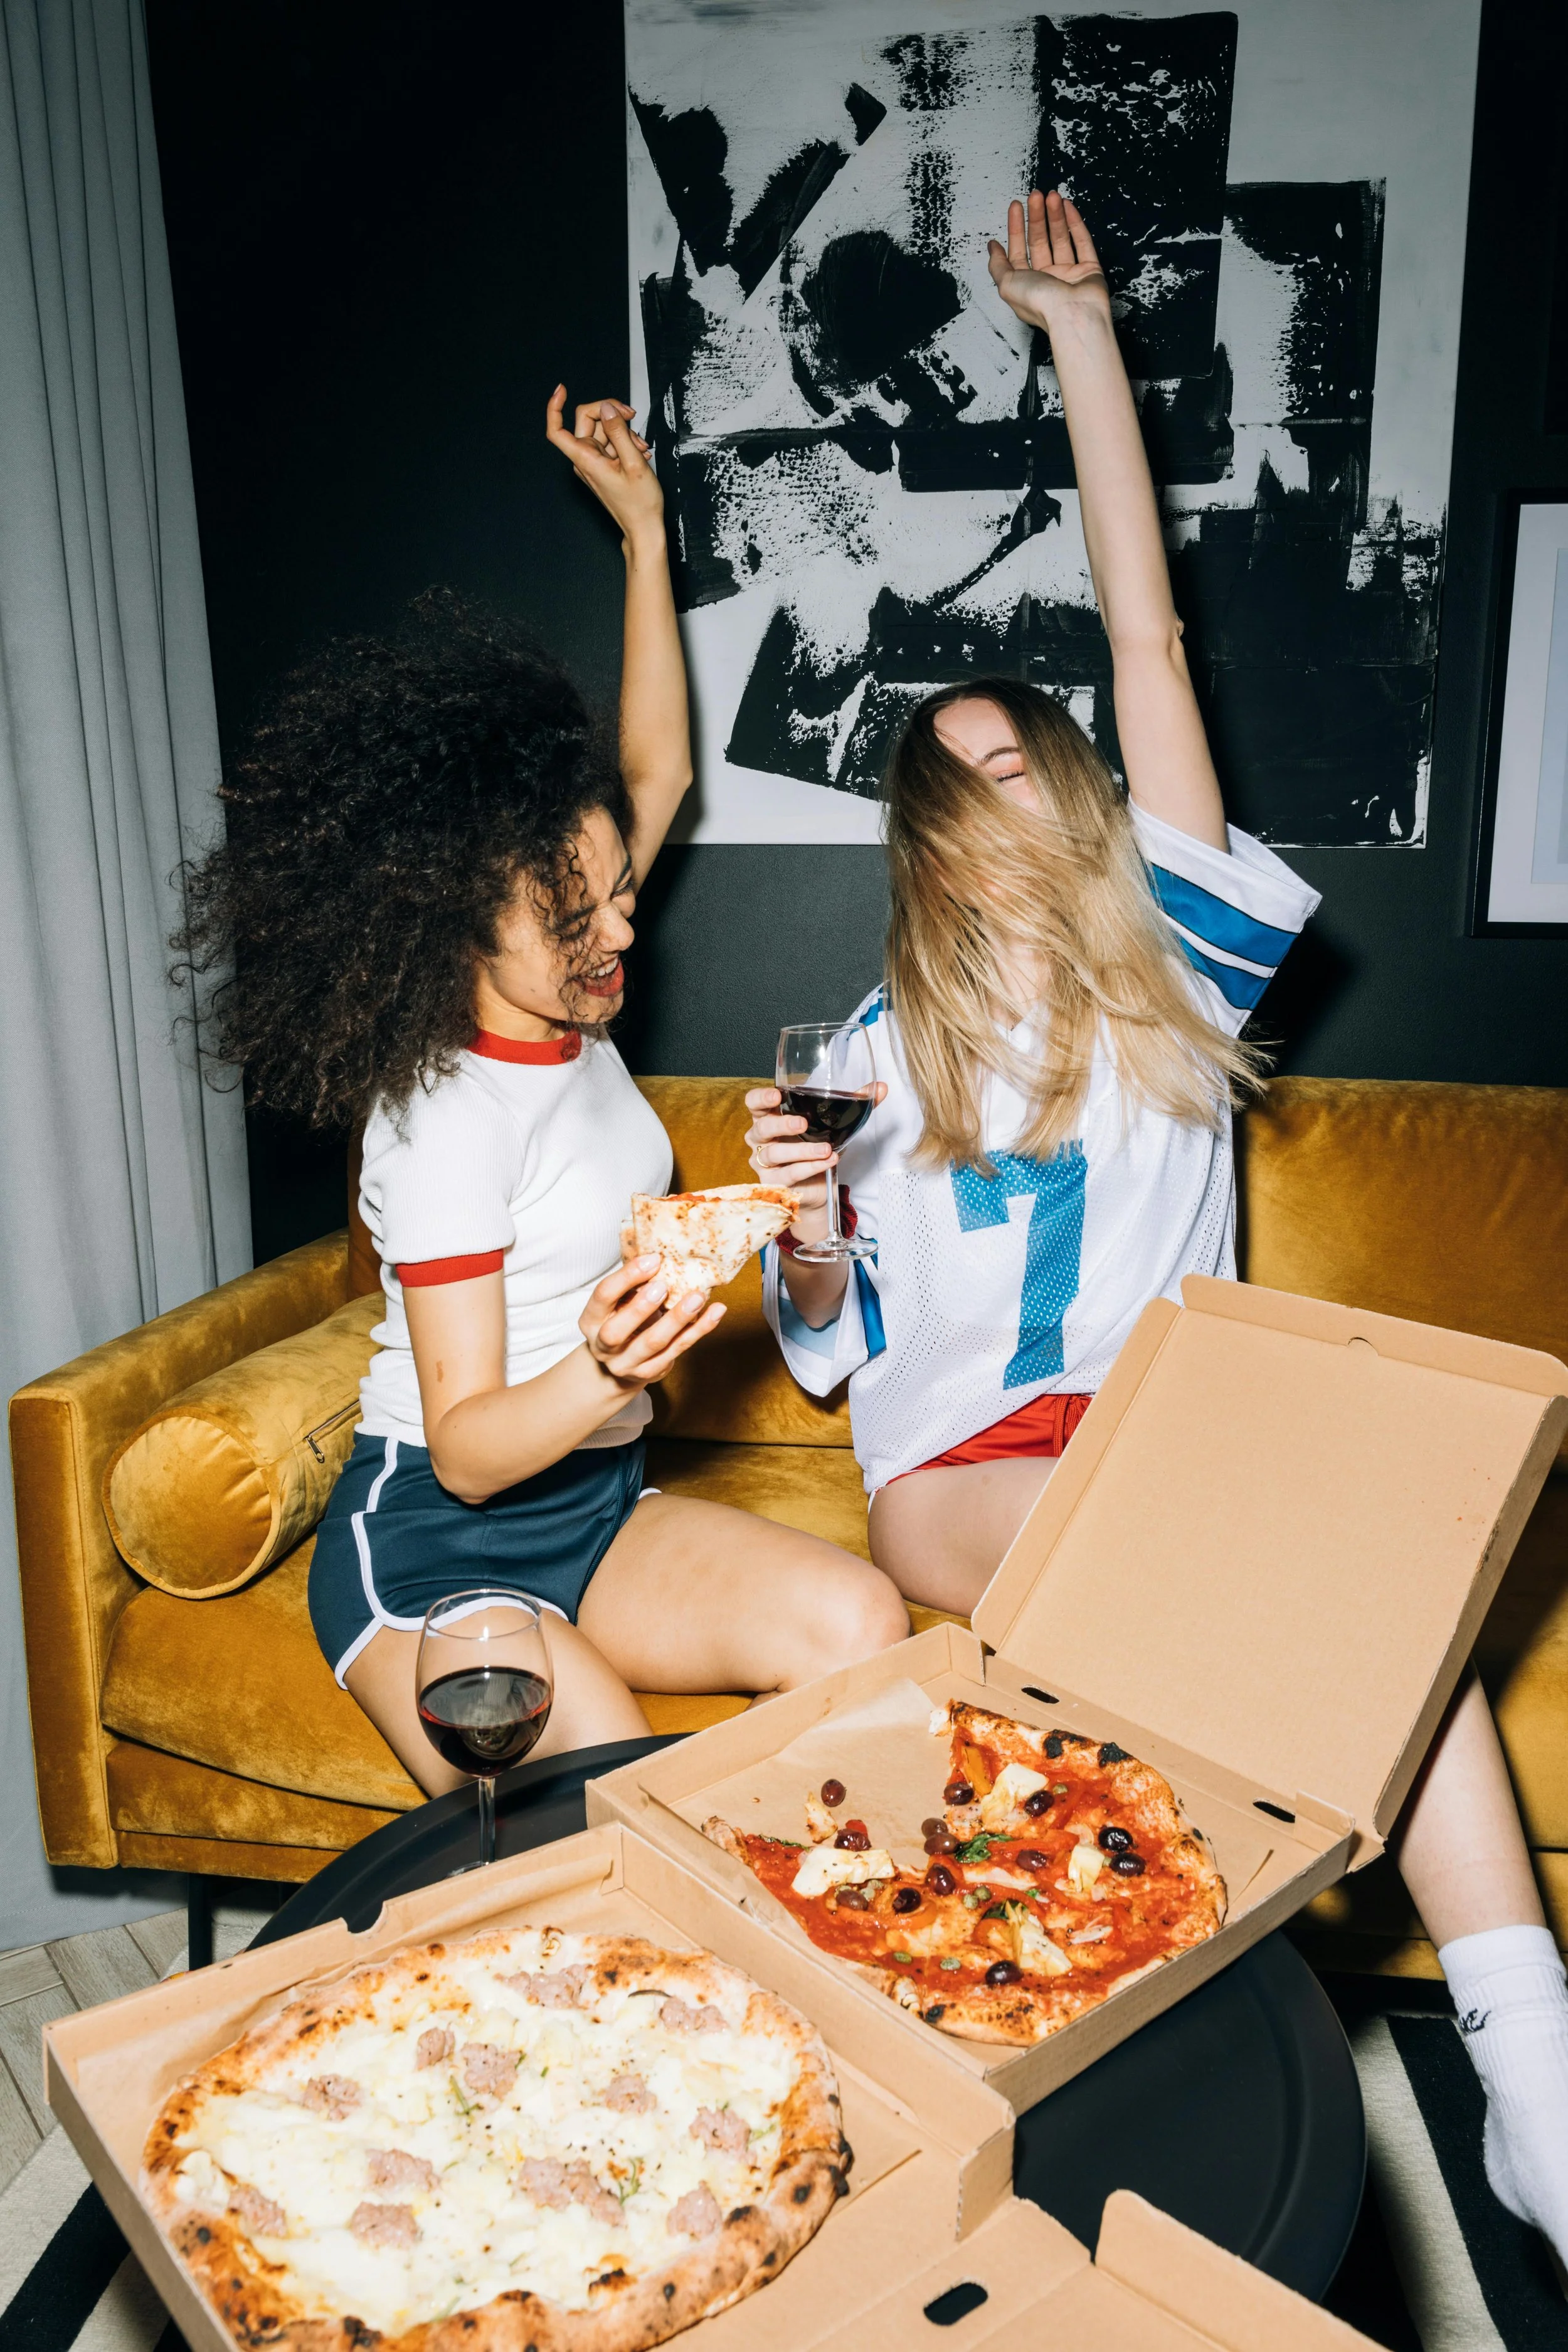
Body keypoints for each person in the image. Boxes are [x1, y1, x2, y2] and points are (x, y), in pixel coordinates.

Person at [745, 189, 1568, 2262]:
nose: (1003, 801)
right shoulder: (857, 1041)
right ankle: (1170, 2082)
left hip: (1169, 1432)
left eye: (1024, 764)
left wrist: (1083, 338)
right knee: (1165, 1572)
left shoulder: (1170, 969)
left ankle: (1531, 2069)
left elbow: (1143, 630)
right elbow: (834, 1328)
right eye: (961, 785)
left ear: (1074, 796)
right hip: (959, 1471)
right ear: (930, 849)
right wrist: (804, 1220)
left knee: (1360, 1585)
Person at [177, 385, 908, 1792]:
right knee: (607, 1788)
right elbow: (461, 1452)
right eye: (576, 919)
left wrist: (644, 530)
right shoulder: (441, 1115)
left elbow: (656, 766)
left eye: (620, 892)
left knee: (857, 1623)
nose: (620, 934)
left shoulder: (563, 984)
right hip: (441, 1542)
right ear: (454, 917)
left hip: (595, 1501)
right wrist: (611, 1363)